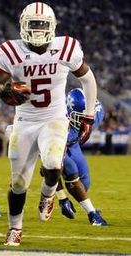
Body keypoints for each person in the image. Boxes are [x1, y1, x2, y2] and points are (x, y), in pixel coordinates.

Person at [0, 2, 98, 245]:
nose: (37, 30)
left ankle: (48, 195)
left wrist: (88, 115)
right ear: (23, 26)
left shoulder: (66, 48)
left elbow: (88, 79)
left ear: (52, 26)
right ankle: (15, 228)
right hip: (24, 122)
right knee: (18, 183)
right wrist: (7, 87)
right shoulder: (11, 52)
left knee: (54, 163)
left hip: (54, 119)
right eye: (32, 24)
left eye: (41, 24)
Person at [48, 88, 107, 226]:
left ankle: (80, 200)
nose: (84, 122)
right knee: (67, 169)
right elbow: (50, 166)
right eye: (81, 118)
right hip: (56, 144)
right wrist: (62, 197)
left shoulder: (95, 110)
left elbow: (93, 117)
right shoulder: (56, 123)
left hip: (73, 144)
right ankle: (91, 214)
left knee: (84, 185)